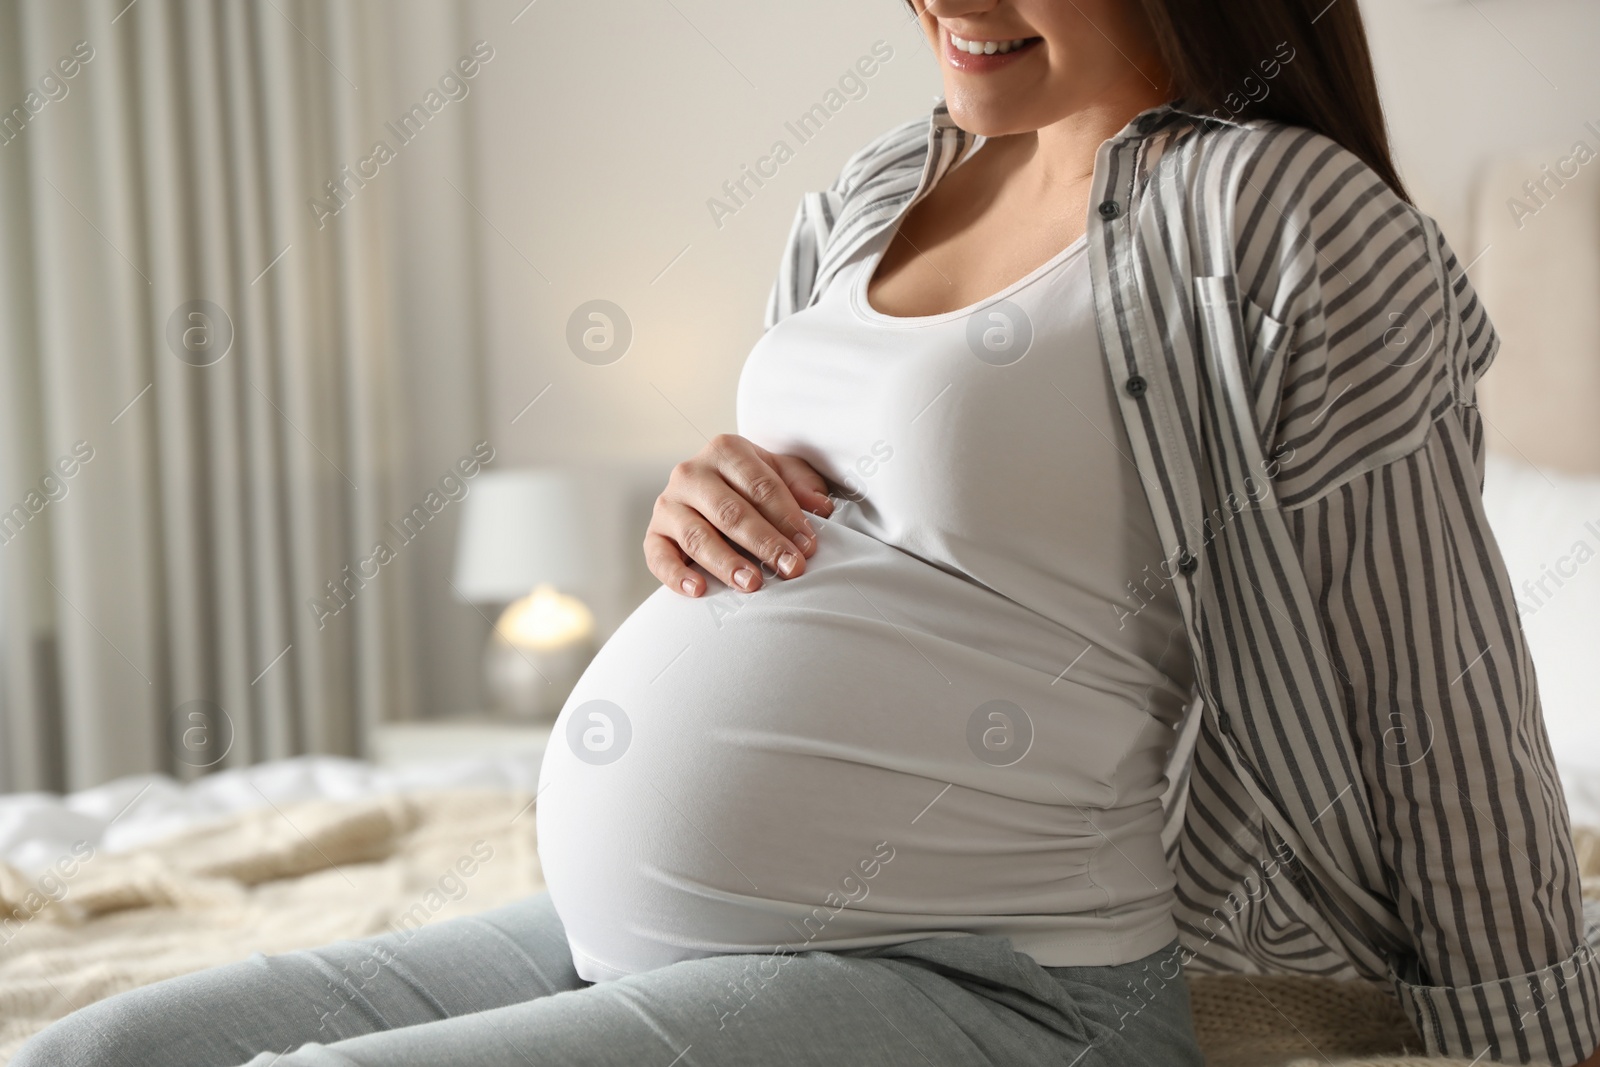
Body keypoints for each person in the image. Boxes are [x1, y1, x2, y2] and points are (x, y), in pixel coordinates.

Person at [17, 0, 1600, 1064]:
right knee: (98, 1051)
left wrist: (1526, 1032)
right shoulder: (872, 191)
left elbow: (1435, 687)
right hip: (634, 938)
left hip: (995, 978)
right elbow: (866, 545)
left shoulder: (1278, 215)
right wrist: (696, 513)